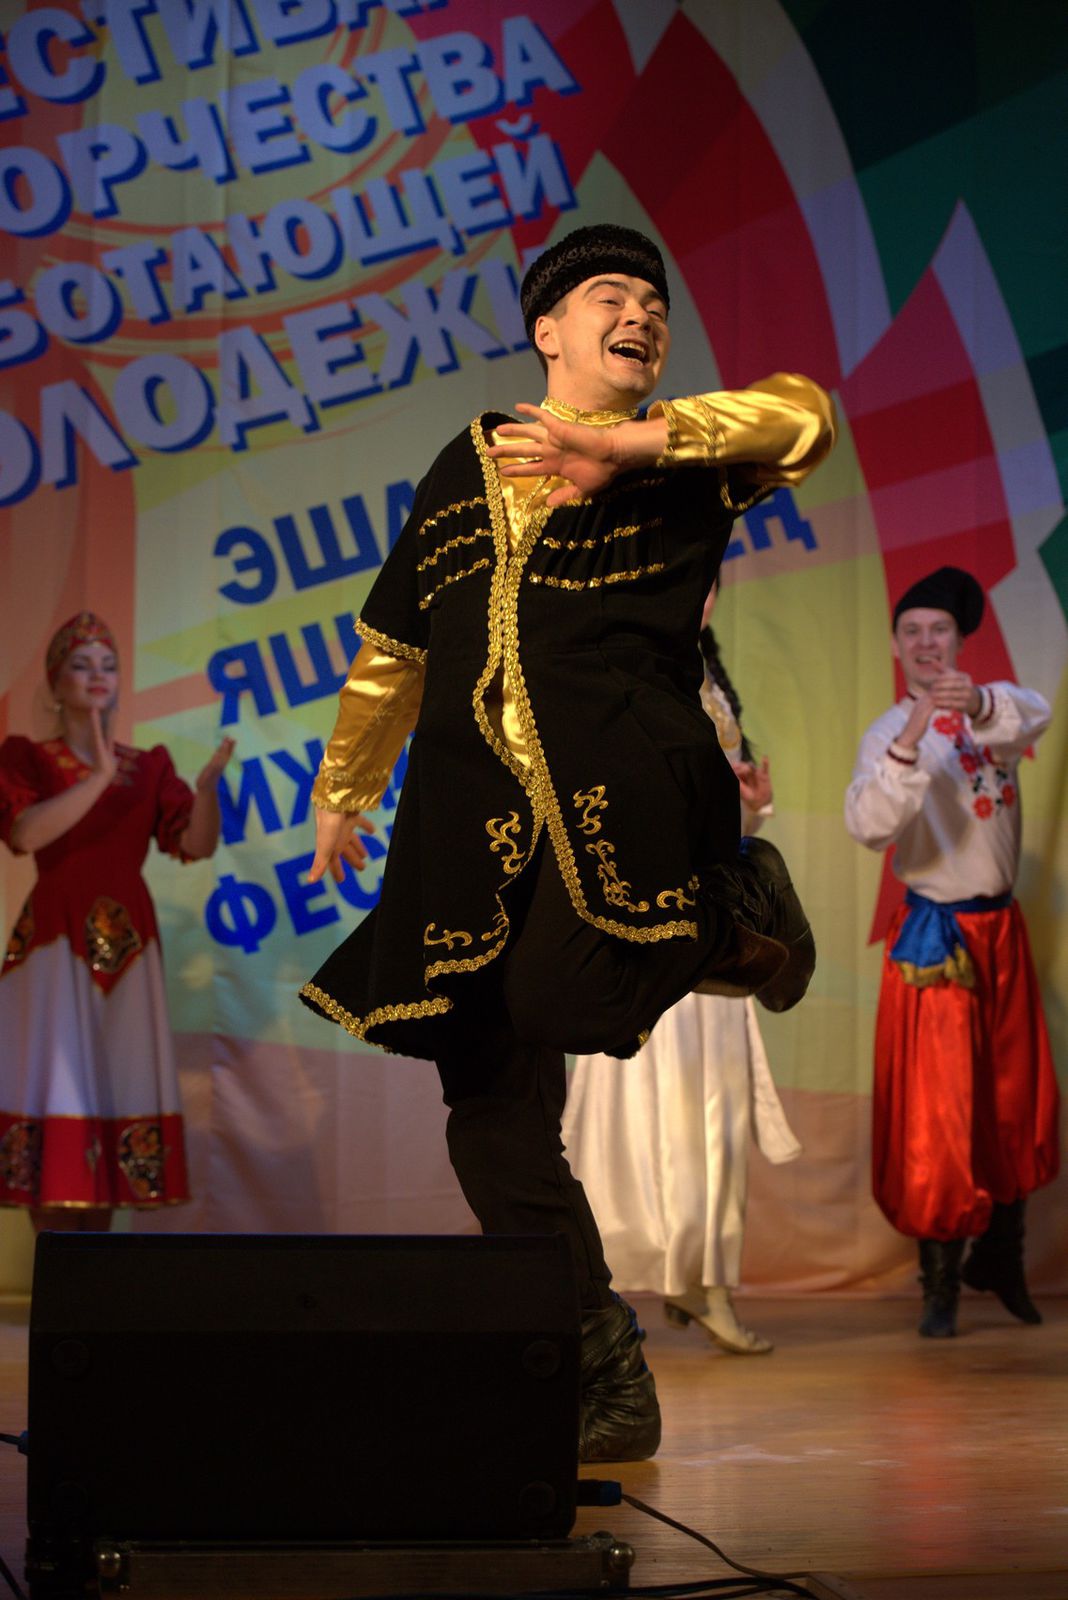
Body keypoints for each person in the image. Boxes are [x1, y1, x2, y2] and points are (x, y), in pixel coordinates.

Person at [300, 223, 836, 1457]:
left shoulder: (681, 455)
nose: (640, 312)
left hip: (624, 780)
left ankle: (739, 907)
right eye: (611, 294)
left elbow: (805, 418)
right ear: (548, 331)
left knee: (556, 994)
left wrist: (627, 447)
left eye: (654, 300)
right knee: (485, 1105)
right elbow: (397, 642)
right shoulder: (465, 460)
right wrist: (344, 787)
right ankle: (606, 1370)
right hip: (468, 817)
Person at [562, 584, 801, 1356]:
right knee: (633, 1119)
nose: (697, 594)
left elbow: (720, 813)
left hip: (712, 918)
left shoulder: (708, 679)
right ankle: (600, 1293)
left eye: (709, 583)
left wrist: (754, 807)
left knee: (715, 1113)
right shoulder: (622, 670)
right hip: (646, 920)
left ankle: (706, 1284)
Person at [844, 567, 1059, 1337]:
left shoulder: (992, 711)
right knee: (939, 1110)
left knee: (1011, 1098)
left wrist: (974, 706)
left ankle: (999, 1259)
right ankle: (938, 1283)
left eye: (939, 629)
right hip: (936, 937)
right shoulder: (885, 734)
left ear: (960, 640)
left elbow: (1033, 715)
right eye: (912, 631)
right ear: (896, 646)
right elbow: (869, 825)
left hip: (1001, 933)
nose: (926, 642)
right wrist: (913, 734)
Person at [0, 612, 233, 1232]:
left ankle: (92, 1280)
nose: (97, 674)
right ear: (56, 684)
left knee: (111, 1086)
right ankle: (56, 1275)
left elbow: (196, 844)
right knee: (59, 1089)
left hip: (128, 950)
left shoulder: (148, 765)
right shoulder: (28, 757)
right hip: (54, 943)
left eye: (108, 664)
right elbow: (25, 833)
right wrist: (99, 776)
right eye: (81, 665)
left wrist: (207, 791)